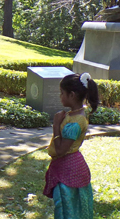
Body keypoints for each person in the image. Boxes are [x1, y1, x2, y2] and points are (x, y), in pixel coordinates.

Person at [43, 73, 98, 218]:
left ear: (72, 95)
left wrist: (55, 125)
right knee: (71, 207)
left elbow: (61, 150)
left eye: (62, 93)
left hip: (68, 170)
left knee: (66, 208)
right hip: (70, 167)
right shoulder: (74, 114)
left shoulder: (76, 121)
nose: (60, 96)